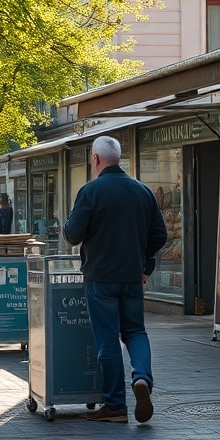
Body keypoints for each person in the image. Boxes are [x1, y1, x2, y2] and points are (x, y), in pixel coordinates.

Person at [63, 136, 168, 423]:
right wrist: (144, 264)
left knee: (108, 339)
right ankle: (142, 378)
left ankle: (115, 406)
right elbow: (160, 235)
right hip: (132, 276)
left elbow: (73, 235)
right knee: (135, 332)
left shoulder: (90, 191)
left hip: (100, 278)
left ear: (95, 159)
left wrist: (68, 224)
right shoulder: (142, 191)